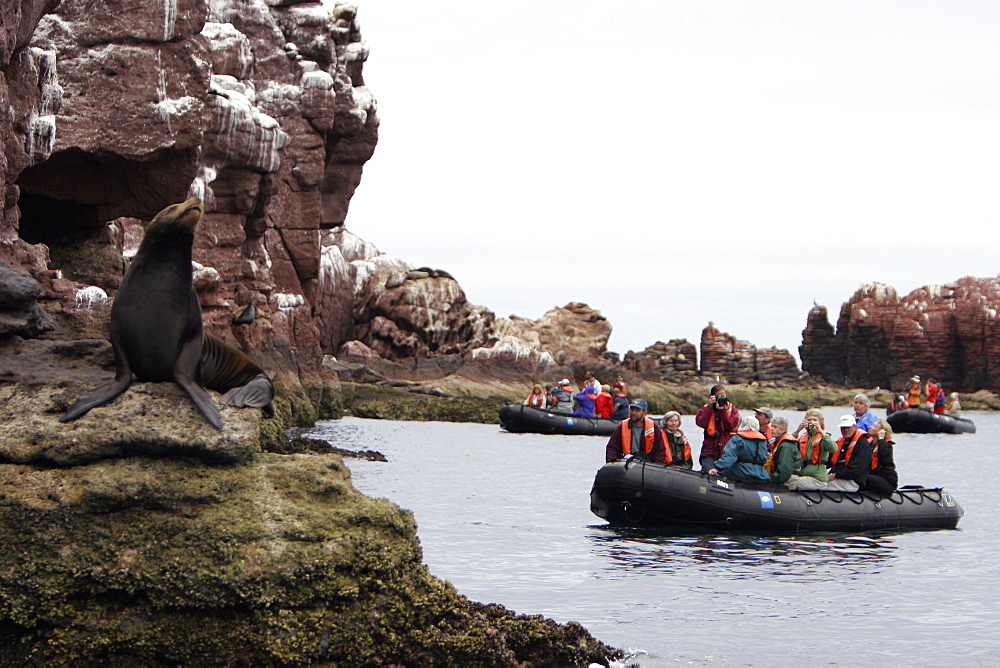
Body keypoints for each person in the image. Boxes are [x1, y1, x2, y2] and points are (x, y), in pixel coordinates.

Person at [707, 413, 769, 483]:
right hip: (760, 473)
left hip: (741, 472)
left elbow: (729, 456)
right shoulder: (763, 441)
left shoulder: (738, 438)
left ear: (742, 425)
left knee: (720, 474)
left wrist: (717, 467)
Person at [785, 409, 837, 490]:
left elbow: (833, 448)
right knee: (785, 476)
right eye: (809, 420)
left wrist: (821, 431)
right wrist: (797, 431)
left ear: (820, 422)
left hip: (817, 479)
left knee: (789, 480)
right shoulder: (804, 437)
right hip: (804, 476)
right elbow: (788, 446)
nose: (812, 422)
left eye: (815, 420)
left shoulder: (824, 437)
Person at [605, 398, 667, 465]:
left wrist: (656, 467)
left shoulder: (654, 429)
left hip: (647, 464)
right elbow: (612, 448)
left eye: (637, 410)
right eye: (632, 410)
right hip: (627, 463)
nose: (633, 413)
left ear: (644, 412)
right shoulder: (621, 428)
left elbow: (660, 452)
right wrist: (612, 461)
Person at [694, 384, 739, 471]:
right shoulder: (706, 409)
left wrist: (723, 411)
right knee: (707, 471)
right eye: (719, 396)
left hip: (726, 450)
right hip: (709, 450)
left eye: (723, 396)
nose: (721, 399)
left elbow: (730, 426)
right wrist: (710, 407)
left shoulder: (731, 409)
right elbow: (700, 423)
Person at [827, 414, 874, 491]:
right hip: (838, 479)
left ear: (855, 427)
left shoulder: (862, 444)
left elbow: (856, 469)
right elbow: (828, 461)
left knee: (821, 486)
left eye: (848, 427)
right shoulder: (841, 443)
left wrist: (835, 475)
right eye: (843, 428)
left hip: (853, 482)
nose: (845, 430)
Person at [863, 418, 898, 495]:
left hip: (886, 480)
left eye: (874, 426)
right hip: (873, 476)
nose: (870, 427)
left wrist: (881, 439)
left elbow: (884, 457)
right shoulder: (869, 444)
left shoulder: (887, 446)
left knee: (866, 478)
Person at [766, 416, 802, 485]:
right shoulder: (779, 442)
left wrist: (770, 480)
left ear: (783, 429)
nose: (772, 429)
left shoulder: (786, 445)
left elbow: (784, 471)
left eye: (775, 427)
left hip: (790, 478)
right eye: (772, 426)